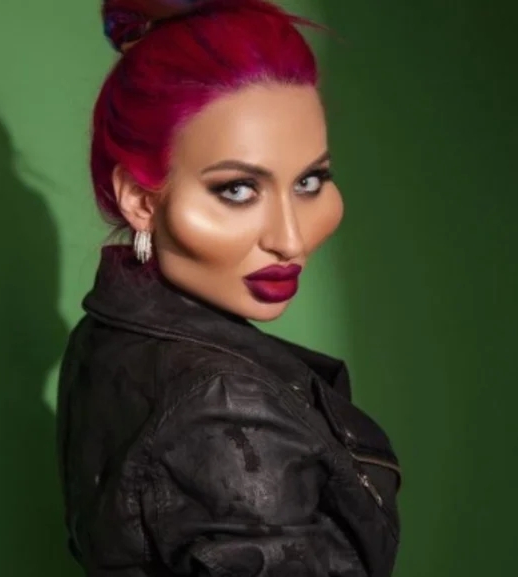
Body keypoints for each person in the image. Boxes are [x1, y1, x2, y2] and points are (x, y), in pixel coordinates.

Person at [56, 1, 402, 575]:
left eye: (310, 181)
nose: (290, 240)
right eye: (238, 189)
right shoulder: (227, 411)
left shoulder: (107, 330)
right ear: (140, 199)